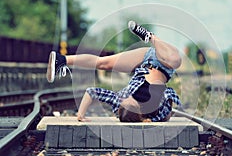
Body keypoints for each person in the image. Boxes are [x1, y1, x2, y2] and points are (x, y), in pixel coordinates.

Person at [46, 21, 182, 122]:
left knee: (103, 63)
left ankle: (62, 60)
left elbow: (92, 92)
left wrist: (80, 115)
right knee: (175, 61)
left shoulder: (119, 102)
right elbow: (170, 96)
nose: (126, 98)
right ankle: (151, 37)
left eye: (124, 102)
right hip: (165, 65)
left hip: (144, 60)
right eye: (130, 101)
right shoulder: (154, 111)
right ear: (140, 111)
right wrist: (163, 116)